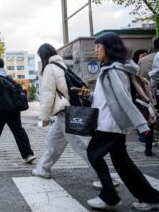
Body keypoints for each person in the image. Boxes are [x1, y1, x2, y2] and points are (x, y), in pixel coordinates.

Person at [83, 32, 159, 210]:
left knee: (93, 154)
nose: (96, 50)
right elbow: (107, 97)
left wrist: (140, 124)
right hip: (110, 122)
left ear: (108, 48)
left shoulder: (115, 69)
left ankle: (109, 195)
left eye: (98, 46)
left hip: (110, 124)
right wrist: (90, 95)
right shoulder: (112, 67)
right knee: (122, 163)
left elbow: (123, 98)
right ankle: (150, 197)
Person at [32, 44, 113, 189]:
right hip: (67, 111)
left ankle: (104, 177)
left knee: (81, 145)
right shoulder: (62, 65)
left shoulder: (50, 68)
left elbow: (48, 94)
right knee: (53, 140)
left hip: (66, 113)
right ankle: (43, 168)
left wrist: (44, 117)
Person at [0, 58, 35, 164]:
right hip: (14, 108)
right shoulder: (8, 76)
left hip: (0, 109)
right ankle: (28, 154)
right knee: (18, 130)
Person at [138, 37, 159, 156]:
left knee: (151, 120)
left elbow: (139, 77)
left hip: (149, 94)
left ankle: (148, 148)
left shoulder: (143, 60)